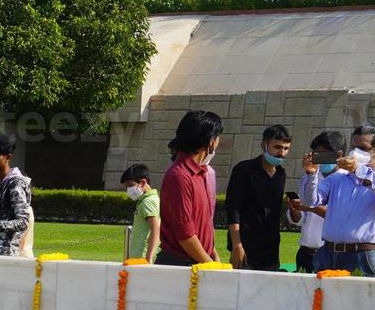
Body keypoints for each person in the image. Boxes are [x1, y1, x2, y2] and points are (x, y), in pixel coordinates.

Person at [156, 110, 223, 266]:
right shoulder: (180, 176)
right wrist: (212, 266)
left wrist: (213, 254)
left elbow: (203, 224)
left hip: (198, 261)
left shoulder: (201, 172)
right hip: (180, 265)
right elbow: (185, 234)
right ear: (211, 142)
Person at [224, 125, 292, 271]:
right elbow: (233, 209)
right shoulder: (244, 170)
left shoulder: (281, 174)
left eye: (286, 148)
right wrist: (237, 245)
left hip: (271, 249)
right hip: (246, 246)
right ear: (264, 145)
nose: (282, 153)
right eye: (277, 147)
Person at [310, 150, 375, 277]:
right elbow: (311, 200)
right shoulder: (337, 177)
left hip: (363, 255)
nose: (356, 152)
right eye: (354, 146)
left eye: (363, 147)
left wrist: (359, 169)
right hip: (328, 252)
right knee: (321, 295)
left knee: (360, 296)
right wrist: (311, 173)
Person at [295, 131, 344, 274]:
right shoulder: (309, 176)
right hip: (305, 251)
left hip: (330, 253)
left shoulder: (346, 180)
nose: (319, 160)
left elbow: (339, 216)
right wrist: (295, 209)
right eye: (316, 155)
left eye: (324, 155)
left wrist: (311, 207)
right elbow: (302, 218)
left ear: (339, 155)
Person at [121, 164, 162, 261]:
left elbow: (155, 229)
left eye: (131, 185)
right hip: (140, 256)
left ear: (143, 182)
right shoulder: (150, 199)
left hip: (142, 257)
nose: (128, 190)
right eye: (126, 187)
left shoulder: (147, 202)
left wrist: (148, 257)